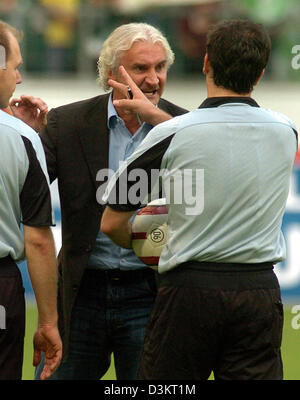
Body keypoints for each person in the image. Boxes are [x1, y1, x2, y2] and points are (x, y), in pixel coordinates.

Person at [101, 19, 298, 380]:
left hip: (189, 292)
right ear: (261, 72)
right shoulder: (287, 131)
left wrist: (148, 244)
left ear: (206, 62)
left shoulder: (171, 133)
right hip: (259, 291)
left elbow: (112, 222)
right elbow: (221, 139)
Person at [11, 22, 187, 380]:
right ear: (110, 73)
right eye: (140, 68)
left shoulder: (185, 126)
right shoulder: (68, 123)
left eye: (160, 67)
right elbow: (20, 190)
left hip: (151, 294)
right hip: (80, 294)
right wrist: (21, 135)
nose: (153, 79)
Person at [0, 20, 62, 380]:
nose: (19, 79)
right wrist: (49, 322)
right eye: (16, 66)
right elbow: (38, 240)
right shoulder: (22, 137)